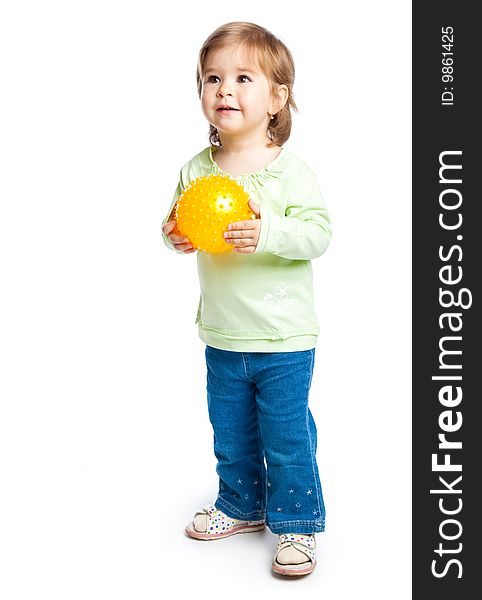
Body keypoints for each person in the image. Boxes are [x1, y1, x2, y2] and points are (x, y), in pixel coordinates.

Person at [161, 21, 332, 577]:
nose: (225, 90)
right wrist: (175, 235)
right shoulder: (196, 171)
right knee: (230, 430)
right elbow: (174, 228)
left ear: (277, 98)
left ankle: (298, 523)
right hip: (223, 332)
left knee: (285, 436)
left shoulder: (290, 173)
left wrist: (269, 230)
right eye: (213, 78)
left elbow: (318, 234)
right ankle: (241, 504)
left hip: (283, 336)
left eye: (242, 78)